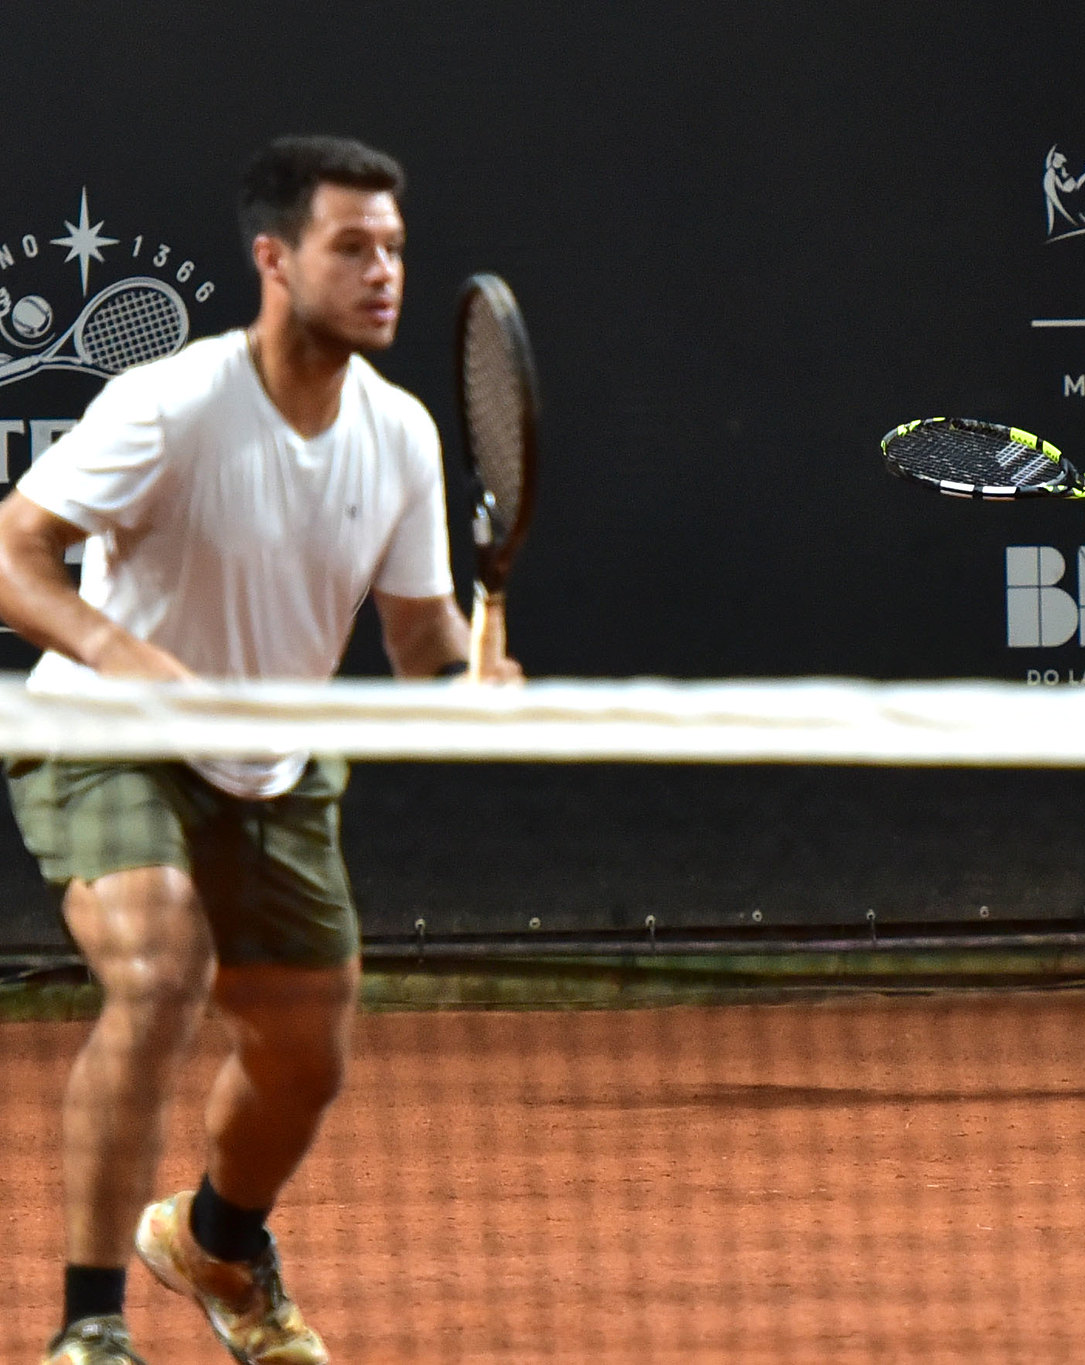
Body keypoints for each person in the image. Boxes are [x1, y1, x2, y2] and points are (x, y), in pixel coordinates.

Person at [0, 135, 519, 1365]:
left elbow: (418, 638)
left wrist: (478, 679)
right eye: (353, 248)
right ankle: (89, 1327)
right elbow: (13, 555)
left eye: (394, 249)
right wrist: (130, 660)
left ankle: (214, 1245)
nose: (383, 272)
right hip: (108, 736)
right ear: (274, 260)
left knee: (304, 1059)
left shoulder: (396, 436)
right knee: (159, 964)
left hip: (275, 767)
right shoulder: (172, 402)